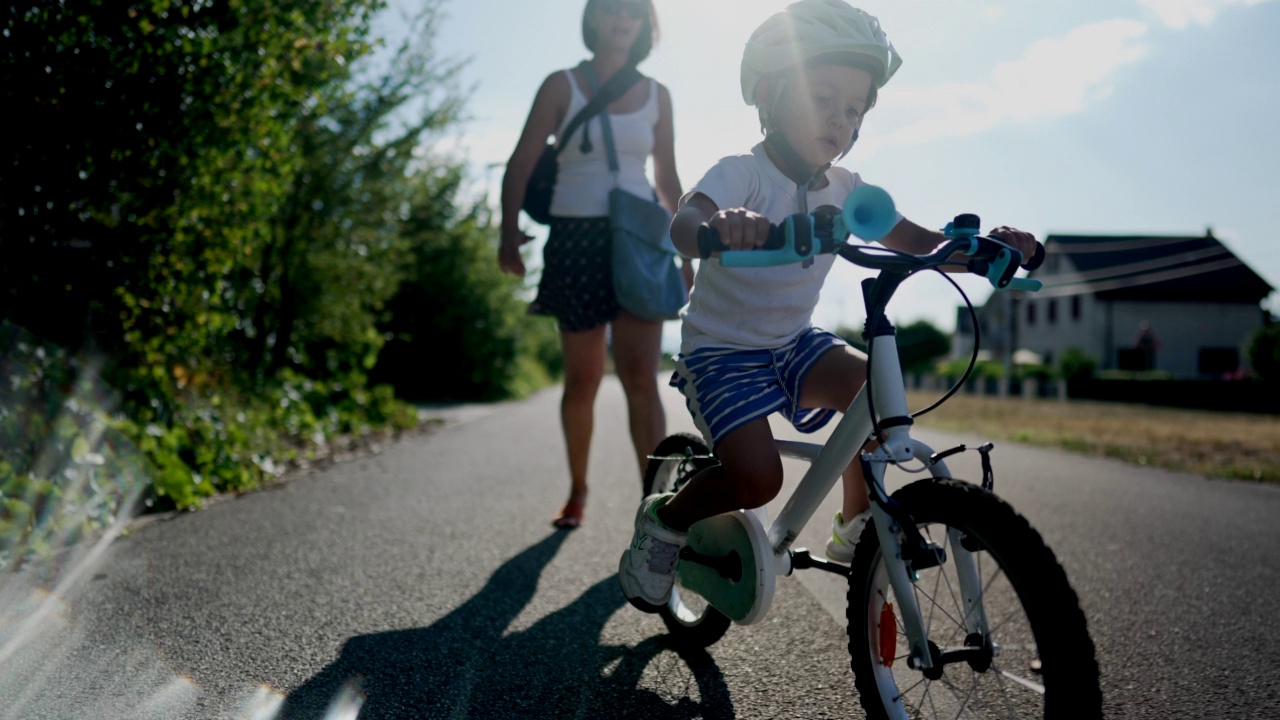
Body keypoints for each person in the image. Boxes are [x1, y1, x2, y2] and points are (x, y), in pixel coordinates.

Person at [618, 0, 1039, 610]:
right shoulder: (743, 174)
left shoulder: (847, 190)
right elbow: (687, 221)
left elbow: (923, 245)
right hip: (722, 354)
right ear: (771, 92)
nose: (841, 120)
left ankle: (855, 530)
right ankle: (665, 521)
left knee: (873, 389)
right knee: (758, 480)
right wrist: (721, 228)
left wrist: (984, 248)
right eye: (823, 99)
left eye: (855, 108)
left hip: (792, 343)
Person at [498, 0, 692, 530]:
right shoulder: (561, 84)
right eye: (610, 8)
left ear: (645, 24)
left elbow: (668, 181)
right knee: (581, 381)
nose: (621, 18)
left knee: (639, 378)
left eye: (632, 10)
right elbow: (522, 160)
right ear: (593, 18)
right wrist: (506, 234)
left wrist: (687, 246)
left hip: (638, 240)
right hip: (574, 239)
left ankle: (655, 507)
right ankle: (578, 490)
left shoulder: (659, 95)